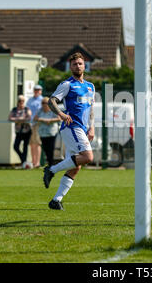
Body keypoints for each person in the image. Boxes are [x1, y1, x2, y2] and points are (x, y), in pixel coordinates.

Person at [42, 52, 95, 211]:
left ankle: (56, 200)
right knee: (87, 157)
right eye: (74, 64)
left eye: (80, 63)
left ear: (84, 65)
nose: (77, 66)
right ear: (70, 67)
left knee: (76, 166)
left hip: (83, 128)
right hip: (72, 127)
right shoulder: (67, 84)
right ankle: (51, 170)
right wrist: (62, 114)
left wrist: (92, 127)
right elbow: (51, 101)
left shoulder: (90, 86)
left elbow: (91, 109)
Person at [34, 97, 61, 167]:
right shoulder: (40, 110)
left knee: (51, 149)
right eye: (42, 103)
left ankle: (51, 164)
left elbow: (59, 118)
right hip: (42, 133)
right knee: (45, 149)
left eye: (45, 103)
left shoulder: (53, 110)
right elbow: (35, 118)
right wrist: (43, 120)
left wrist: (50, 120)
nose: (44, 104)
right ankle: (50, 164)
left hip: (52, 132)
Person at [8, 95, 32, 168]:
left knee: (25, 147)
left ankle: (24, 163)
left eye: (22, 101)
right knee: (15, 146)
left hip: (27, 131)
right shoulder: (14, 109)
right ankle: (23, 160)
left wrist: (18, 119)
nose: (21, 102)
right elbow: (10, 118)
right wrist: (20, 119)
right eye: (19, 101)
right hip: (18, 131)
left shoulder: (26, 109)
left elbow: (29, 117)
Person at [27, 85, 43, 168]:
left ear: (41, 91)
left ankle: (37, 162)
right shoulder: (30, 100)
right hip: (30, 123)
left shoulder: (42, 100)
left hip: (38, 123)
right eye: (36, 90)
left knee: (37, 143)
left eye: (38, 90)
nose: (37, 91)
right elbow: (27, 109)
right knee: (31, 144)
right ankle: (33, 162)